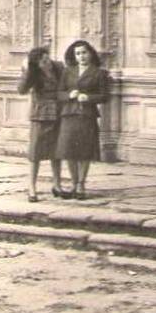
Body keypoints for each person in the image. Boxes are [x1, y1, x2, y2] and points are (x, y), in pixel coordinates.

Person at [56, 40, 110, 199]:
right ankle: (73, 183)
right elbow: (59, 93)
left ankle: (81, 184)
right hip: (69, 115)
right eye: (78, 53)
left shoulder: (99, 73)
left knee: (84, 151)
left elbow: (105, 96)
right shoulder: (67, 71)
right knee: (68, 151)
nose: (81, 56)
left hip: (87, 115)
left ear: (91, 53)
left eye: (84, 52)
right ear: (74, 56)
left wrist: (89, 97)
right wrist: (68, 95)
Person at [17, 45, 64, 201]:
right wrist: (27, 70)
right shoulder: (33, 72)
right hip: (40, 114)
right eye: (43, 61)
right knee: (35, 152)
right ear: (36, 63)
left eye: (47, 59)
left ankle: (57, 185)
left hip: (58, 112)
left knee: (57, 152)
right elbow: (21, 90)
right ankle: (32, 187)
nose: (47, 63)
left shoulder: (58, 67)